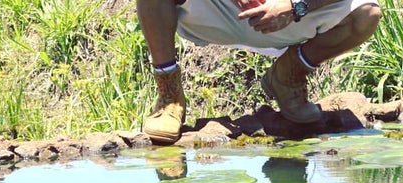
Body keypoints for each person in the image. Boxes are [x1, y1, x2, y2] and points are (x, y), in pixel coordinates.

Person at [137, 0, 382, 143]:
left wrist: (295, 5)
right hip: (216, 11)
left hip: (291, 14)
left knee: (366, 13)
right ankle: (169, 96)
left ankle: (288, 75)